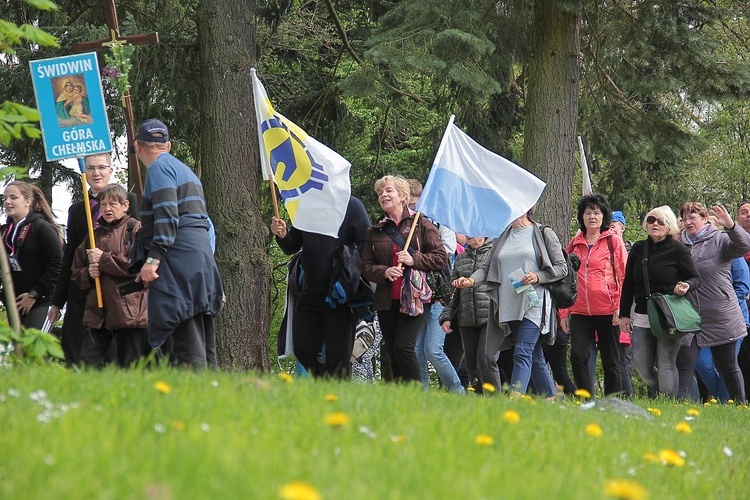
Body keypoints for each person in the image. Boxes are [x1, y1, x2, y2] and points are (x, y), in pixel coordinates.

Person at [132, 118, 224, 369]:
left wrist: (152, 260)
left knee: (184, 330)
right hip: (200, 257)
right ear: (168, 145)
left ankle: (194, 396)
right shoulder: (184, 169)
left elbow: (167, 217)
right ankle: (213, 391)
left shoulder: (159, 169)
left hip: (179, 259)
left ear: (138, 147)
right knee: (202, 333)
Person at [454, 206, 566, 397]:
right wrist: (471, 280)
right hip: (509, 304)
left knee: (522, 352)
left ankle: (515, 401)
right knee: (535, 355)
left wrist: (538, 276)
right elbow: (486, 268)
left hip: (534, 302)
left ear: (527, 207)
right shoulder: (502, 237)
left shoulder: (542, 232)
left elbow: (561, 268)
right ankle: (551, 400)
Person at [48, 153, 139, 366]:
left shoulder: (129, 201)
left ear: (110, 170)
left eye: (101, 167)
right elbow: (70, 256)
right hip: (85, 289)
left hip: (119, 293)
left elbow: (135, 246)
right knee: (81, 355)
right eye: (90, 168)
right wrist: (57, 300)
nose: (96, 173)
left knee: (119, 357)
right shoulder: (78, 210)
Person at [361, 175, 449, 384]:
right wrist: (385, 271)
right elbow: (365, 266)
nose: (383, 195)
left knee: (404, 346)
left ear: (403, 196)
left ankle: (417, 397)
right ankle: (403, 399)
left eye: (388, 190)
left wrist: (413, 259)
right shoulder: (376, 230)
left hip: (416, 296)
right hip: (386, 298)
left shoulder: (421, 223)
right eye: (380, 192)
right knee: (394, 352)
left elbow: (441, 257)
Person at [270, 196, 370, 379]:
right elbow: (293, 244)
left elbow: (367, 244)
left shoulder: (352, 205)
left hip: (339, 293)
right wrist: (283, 234)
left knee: (339, 356)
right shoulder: (308, 204)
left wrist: (350, 269)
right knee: (302, 348)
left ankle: (338, 398)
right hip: (310, 291)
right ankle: (325, 381)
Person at [619, 206, 700, 397]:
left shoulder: (678, 250)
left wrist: (686, 286)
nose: (655, 224)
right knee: (642, 366)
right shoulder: (638, 249)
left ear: (669, 225)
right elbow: (628, 283)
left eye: (660, 221)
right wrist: (623, 315)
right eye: (651, 220)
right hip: (641, 314)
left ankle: (667, 403)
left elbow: (696, 278)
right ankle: (660, 393)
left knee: (666, 362)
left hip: (668, 315)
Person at [675, 202, 750, 402]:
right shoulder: (678, 245)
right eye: (684, 218)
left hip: (720, 315)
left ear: (705, 218)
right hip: (690, 317)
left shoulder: (720, 239)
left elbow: (745, 246)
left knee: (727, 366)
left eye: (693, 217)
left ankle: (739, 406)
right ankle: (676, 410)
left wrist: (731, 226)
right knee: (686, 363)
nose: (688, 222)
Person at [71, 184, 147, 368]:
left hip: (128, 312)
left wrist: (104, 260)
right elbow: (76, 269)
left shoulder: (135, 229)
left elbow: (138, 265)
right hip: (98, 312)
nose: (107, 208)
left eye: (113, 204)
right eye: (103, 204)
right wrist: (89, 273)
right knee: (87, 364)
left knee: (130, 367)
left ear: (125, 205)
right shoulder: (93, 235)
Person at [559, 194, 628, 396]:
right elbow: (566, 280)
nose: (592, 216)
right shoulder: (574, 244)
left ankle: (611, 402)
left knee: (611, 361)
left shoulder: (613, 242)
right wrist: (564, 313)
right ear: (581, 216)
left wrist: (620, 309)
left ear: (604, 216)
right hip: (580, 310)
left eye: (596, 212)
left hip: (608, 310)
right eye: (588, 212)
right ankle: (585, 400)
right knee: (578, 357)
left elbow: (623, 276)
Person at [407, 179, 463, 393]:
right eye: (409, 206)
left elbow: (448, 250)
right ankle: (423, 394)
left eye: (415, 205)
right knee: (416, 350)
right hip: (416, 292)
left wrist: (419, 253)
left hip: (439, 291)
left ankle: (457, 389)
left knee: (433, 350)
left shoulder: (440, 220)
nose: (412, 210)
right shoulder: (405, 225)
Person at [1, 182, 63, 330]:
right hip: (16, 302)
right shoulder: (4, 232)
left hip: (42, 301)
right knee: (19, 351)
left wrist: (34, 294)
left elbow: (58, 265)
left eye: (13, 197)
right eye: (5, 198)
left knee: (34, 350)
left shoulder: (41, 228)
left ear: (28, 201)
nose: (7, 202)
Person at [440, 236, 498, 392]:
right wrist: (446, 317)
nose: (469, 236)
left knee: (486, 360)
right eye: (467, 233)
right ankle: (479, 404)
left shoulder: (495, 253)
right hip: (467, 319)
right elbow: (453, 295)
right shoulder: (460, 259)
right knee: (472, 366)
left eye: (474, 231)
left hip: (491, 318)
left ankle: (496, 402)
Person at [609, 210, 635, 396]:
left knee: (623, 358)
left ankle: (627, 398)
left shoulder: (632, 251)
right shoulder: (603, 248)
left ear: (622, 227)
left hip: (628, 311)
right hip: (606, 311)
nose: (610, 228)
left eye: (614, 225)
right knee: (611, 356)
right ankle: (612, 396)